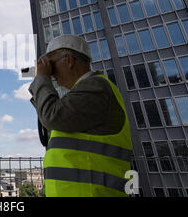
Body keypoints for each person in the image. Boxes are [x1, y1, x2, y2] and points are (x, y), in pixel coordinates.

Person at [28, 34, 133, 197]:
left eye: (52, 65)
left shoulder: (96, 87)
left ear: (69, 60)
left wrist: (42, 78)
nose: (52, 74)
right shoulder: (85, 93)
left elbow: (52, 117)